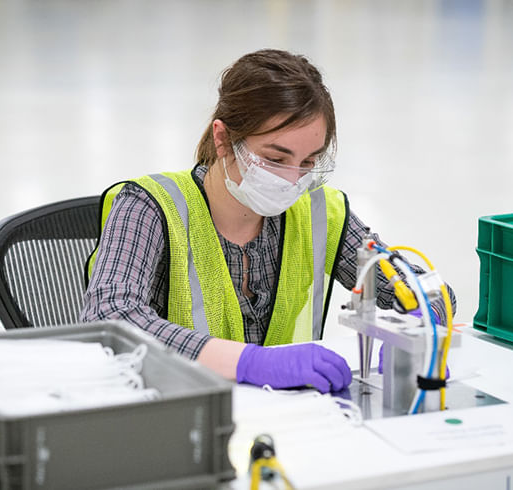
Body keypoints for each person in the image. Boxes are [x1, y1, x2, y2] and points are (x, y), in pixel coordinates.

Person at [80, 49, 456, 394]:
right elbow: (110, 317)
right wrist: (250, 363)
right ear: (223, 139)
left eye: (308, 162)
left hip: (285, 419)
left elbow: (428, 292)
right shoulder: (149, 206)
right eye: (275, 159)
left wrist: (421, 331)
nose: (293, 180)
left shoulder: (319, 211)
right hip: (176, 415)